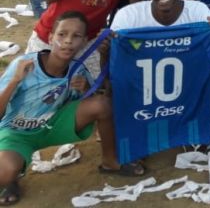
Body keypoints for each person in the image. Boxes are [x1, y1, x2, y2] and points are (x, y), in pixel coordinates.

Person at [0, 12, 144, 206]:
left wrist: (86, 90)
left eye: (76, 36)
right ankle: (12, 179)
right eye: (62, 34)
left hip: (51, 126)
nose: (68, 41)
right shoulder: (23, 65)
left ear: (84, 42)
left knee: (101, 103)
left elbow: (99, 106)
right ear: (50, 38)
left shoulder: (79, 70)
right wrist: (15, 80)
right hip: (15, 134)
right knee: (7, 170)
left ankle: (110, 161)